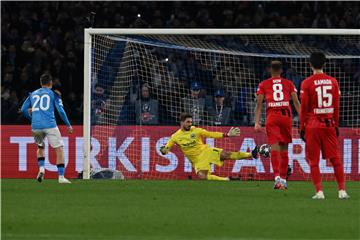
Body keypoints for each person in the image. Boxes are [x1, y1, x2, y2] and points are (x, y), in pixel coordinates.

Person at [300, 52, 349, 199]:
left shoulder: (307, 83)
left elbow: (304, 108)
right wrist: (336, 125)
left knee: (313, 160)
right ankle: (342, 191)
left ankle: (319, 192)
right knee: (335, 159)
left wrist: (302, 127)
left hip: (313, 126)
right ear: (325, 64)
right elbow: (336, 106)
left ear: (310, 65)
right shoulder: (333, 81)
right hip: (329, 124)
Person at [160, 112, 265, 181]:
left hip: (206, 151)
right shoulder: (175, 136)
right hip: (197, 161)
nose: (190, 124)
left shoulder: (196, 130)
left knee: (226, 154)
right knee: (202, 177)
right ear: (182, 122)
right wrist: (164, 151)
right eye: (188, 122)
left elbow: (210, 134)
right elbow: (166, 149)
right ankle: (227, 180)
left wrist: (227, 135)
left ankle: (252, 153)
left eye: (191, 122)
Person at [255, 61, 300, 190]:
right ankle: (284, 181)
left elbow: (259, 104)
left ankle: (277, 179)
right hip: (286, 116)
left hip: (272, 117)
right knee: (284, 150)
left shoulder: (264, 84)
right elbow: (296, 102)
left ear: (270, 70)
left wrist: (257, 122)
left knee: (274, 148)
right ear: (281, 71)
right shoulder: (288, 83)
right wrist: (304, 120)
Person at [20, 73, 73, 184]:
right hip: (50, 125)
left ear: (41, 83)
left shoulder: (33, 94)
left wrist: (32, 119)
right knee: (59, 149)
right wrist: (68, 124)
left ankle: (42, 169)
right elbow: (61, 111)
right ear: (51, 83)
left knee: (40, 147)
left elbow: (23, 109)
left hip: (36, 126)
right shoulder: (53, 94)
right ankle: (61, 177)